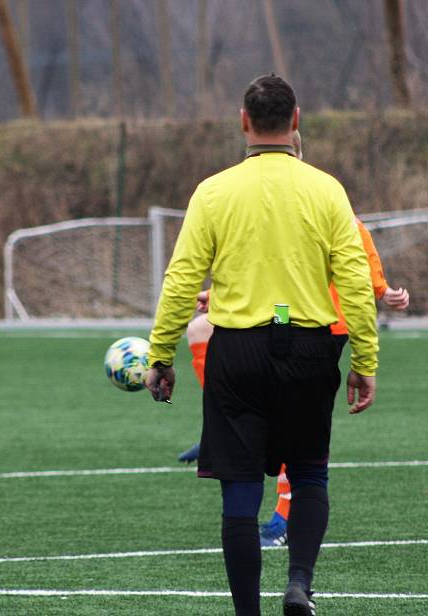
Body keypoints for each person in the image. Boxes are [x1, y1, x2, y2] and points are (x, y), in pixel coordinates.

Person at [145, 74, 379, 616]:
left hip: (237, 352)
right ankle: (299, 583)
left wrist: (161, 355)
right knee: (311, 470)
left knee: (241, 486)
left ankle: (248, 612)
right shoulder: (327, 190)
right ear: (296, 122)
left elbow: (181, 280)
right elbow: (354, 282)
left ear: (244, 122)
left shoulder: (213, 191)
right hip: (309, 350)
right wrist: (364, 361)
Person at [176, 132, 410, 549]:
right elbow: (271, 274)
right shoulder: (281, 209)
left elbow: (360, 270)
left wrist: (383, 292)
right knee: (200, 331)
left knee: (290, 432)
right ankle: (221, 426)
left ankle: (283, 517)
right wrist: (218, 295)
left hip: (323, 331)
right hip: (287, 323)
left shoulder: (329, 208)